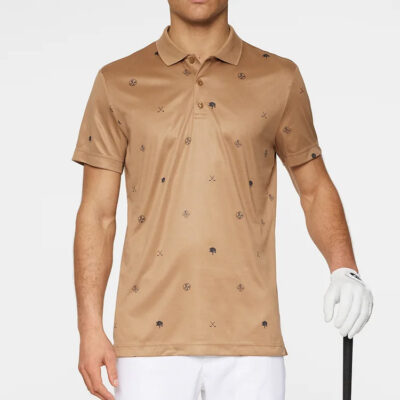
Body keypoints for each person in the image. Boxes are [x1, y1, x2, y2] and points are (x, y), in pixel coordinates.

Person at [72, 1, 373, 399]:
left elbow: (314, 188)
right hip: (146, 343)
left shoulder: (278, 77)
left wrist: (344, 268)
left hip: (252, 340)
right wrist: (89, 327)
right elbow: (97, 214)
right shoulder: (117, 81)